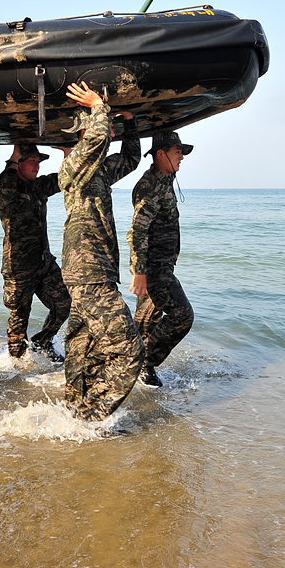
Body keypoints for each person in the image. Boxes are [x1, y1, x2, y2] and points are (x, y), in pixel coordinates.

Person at [58, 81, 142, 421]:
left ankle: (71, 414)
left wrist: (131, 123)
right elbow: (96, 140)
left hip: (94, 272)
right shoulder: (72, 168)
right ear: (80, 137)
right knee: (128, 351)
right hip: (88, 272)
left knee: (83, 348)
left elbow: (131, 159)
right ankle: (92, 419)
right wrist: (98, 107)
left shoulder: (100, 173)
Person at [128, 131, 195, 388]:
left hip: (161, 264)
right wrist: (140, 271)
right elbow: (138, 229)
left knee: (145, 322)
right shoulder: (150, 186)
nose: (182, 158)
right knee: (182, 316)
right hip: (154, 267)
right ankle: (143, 362)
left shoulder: (166, 179)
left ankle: (135, 368)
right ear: (160, 154)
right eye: (177, 151)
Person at [0, 143, 70, 362]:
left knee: (64, 301)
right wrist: (13, 158)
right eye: (32, 161)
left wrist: (67, 154)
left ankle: (43, 341)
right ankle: (16, 367)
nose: (36, 166)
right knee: (19, 317)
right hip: (18, 266)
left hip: (44, 263)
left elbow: (65, 179)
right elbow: (6, 190)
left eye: (38, 162)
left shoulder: (38, 186)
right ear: (19, 163)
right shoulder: (6, 186)